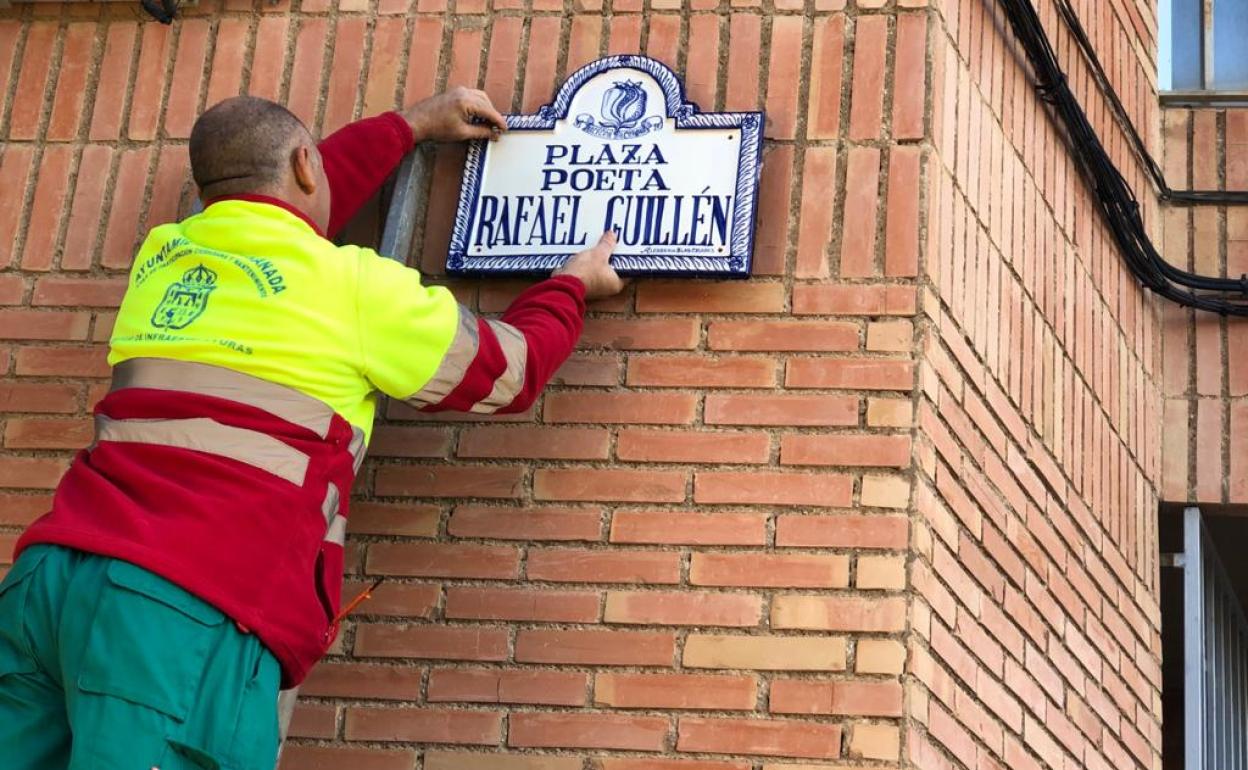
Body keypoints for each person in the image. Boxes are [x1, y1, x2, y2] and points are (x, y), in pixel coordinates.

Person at [0, 89, 623, 770]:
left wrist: (408, 126)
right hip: (183, 609)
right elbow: (510, 370)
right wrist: (571, 283)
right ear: (305, 166)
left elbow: (277, 207)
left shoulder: (166, 257)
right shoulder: (352, 287)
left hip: (46, 585)